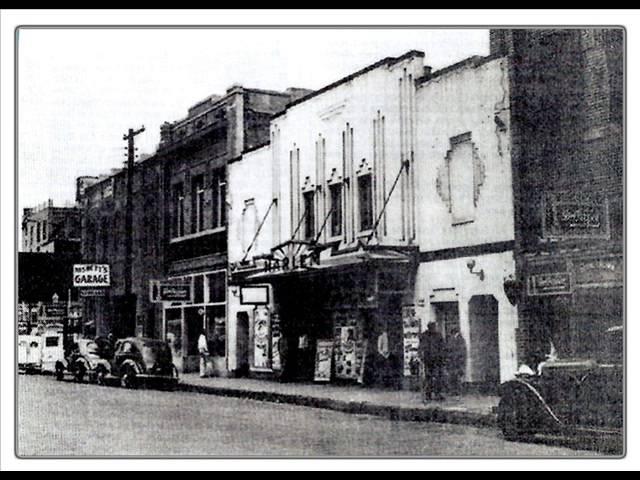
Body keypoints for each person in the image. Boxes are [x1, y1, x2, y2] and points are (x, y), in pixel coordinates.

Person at [418, 322, 446, 402]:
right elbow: (421, 347)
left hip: (436, 360)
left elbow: (442, 347)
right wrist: (421, 356)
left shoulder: (437, 335)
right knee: (430, 378)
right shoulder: (426, 336)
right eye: (434, 326)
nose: (434, 328)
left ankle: (435, 394)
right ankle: (430, 394)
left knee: (436, 378)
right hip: (429, 360)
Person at [445, 328, 467, 397]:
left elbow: (461, 351)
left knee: (456, 377)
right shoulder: (456, 339)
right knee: (454, 377)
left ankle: (456, 391)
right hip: (454, 361)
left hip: (456, 361)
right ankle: (454, 391)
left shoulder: (458, 340)